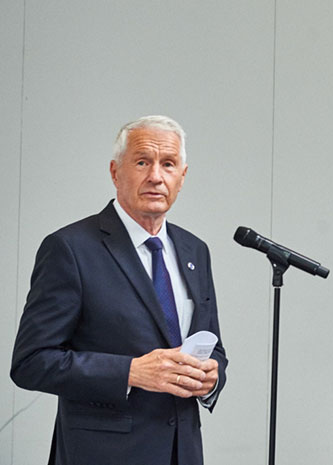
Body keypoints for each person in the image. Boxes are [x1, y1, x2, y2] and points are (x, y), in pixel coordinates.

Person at [10, 115, 228, 465]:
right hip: (103, 454)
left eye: (168, 164)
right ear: (115, 172)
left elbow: (213, 345)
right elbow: (31, 363)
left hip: (182, 451)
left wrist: (212, 377)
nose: (156, 176)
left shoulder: (194, 251)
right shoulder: (70, 248)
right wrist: (130, 372)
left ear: (182, 177)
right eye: (142, 162)